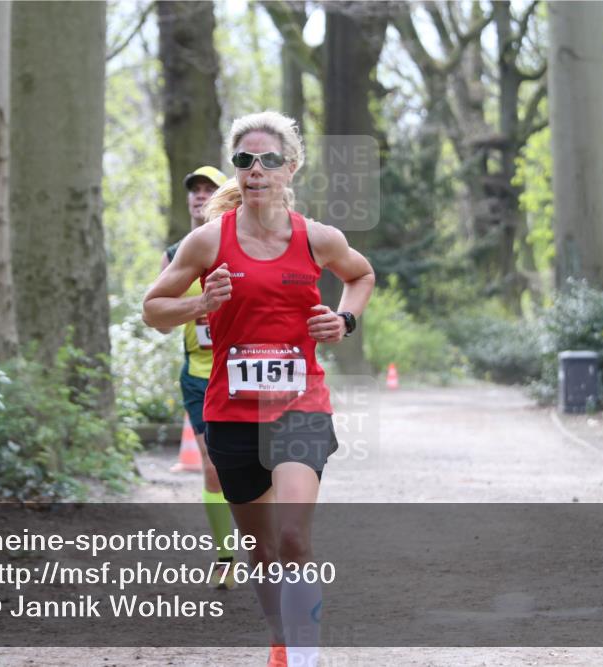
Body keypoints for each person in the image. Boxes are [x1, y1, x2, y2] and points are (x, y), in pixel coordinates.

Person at [143, 111, 375, 667]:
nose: (255, 170)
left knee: (294, 539)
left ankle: (305, 656)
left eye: (268, 160)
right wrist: (201, 303)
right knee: (263, 551)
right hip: (231, 412)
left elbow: (361, 275)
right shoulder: (206, 243)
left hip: (300, 406)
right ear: (236, 170)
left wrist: (343, 322)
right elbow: (153, 309)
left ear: (289, 167)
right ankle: (280, 639)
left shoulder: (318, 238)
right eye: (244, 160)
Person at [155, 165, 238, 589]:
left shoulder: (242, 245)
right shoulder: (175, 254)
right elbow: (159, 319)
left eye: (209, 189)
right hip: (200, 376)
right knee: (212, 467)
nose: (199, 196)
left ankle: (267, 545)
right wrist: (196, 307)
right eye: (194, 190)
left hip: (244, 374)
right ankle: (225, 557)